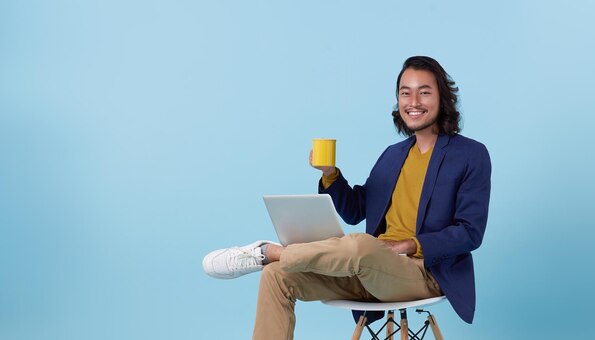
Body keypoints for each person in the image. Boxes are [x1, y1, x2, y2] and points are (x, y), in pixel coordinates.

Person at [203, 56, 491, 339]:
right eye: (405, 93)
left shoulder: (470, 154)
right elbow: (356, 210)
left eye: (424, 92)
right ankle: (272, 261)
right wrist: (330, 174)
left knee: (360, 246)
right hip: (368, 269)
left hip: (423, 274)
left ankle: (268, 252)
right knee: (277, 276)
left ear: (443, 98)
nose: (413, 102)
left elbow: (469, 232)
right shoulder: (393, 156)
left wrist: (411, 244)